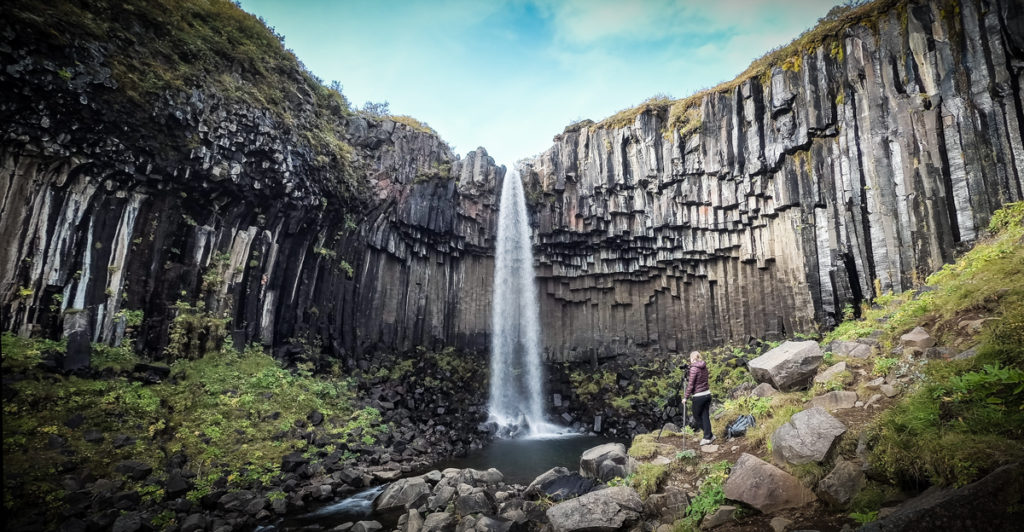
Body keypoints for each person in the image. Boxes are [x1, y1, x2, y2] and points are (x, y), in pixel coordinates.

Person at [684, 350, 715, 445]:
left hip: (699, 396)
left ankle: (707, 436)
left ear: (692, 358)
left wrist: (685, 397)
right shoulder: (703, 366)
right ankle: (710, 436)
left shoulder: (693, 369)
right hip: (707, 394)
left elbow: (691, 385)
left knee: (696, 416)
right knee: (705, 416)